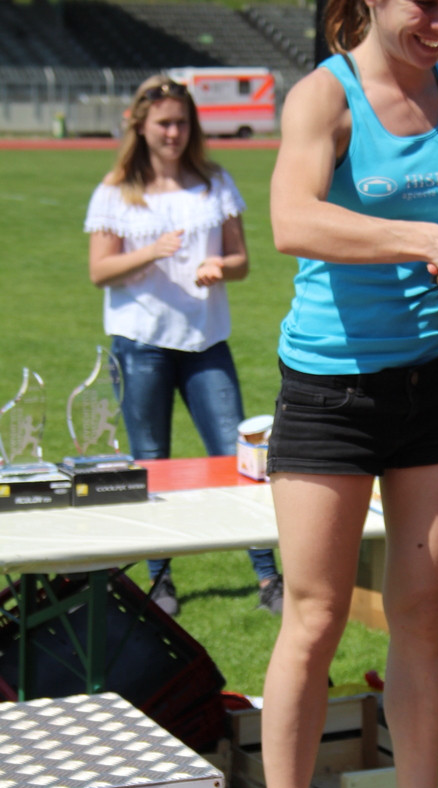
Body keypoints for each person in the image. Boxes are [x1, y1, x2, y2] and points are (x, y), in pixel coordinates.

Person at [232, 0, 438, 788]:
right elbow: (293, 222)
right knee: (311, 620)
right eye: (422, 1)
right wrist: (428, 238)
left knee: (421, 614)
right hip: (330, 389)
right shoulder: (326, 96)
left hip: (436, 382)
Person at [84, 75, 283, 617]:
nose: (173, 132)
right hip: (140, 344)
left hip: (205, 342)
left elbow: (241, 260)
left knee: (240, 458)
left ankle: (268, 578)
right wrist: (150, 251)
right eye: (163, 123)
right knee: (150, 463)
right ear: (141, 126)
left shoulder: (214, 183)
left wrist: (222, 265)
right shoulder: (117, 191)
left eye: (182, 122)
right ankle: (159, 582)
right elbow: (100, 270)